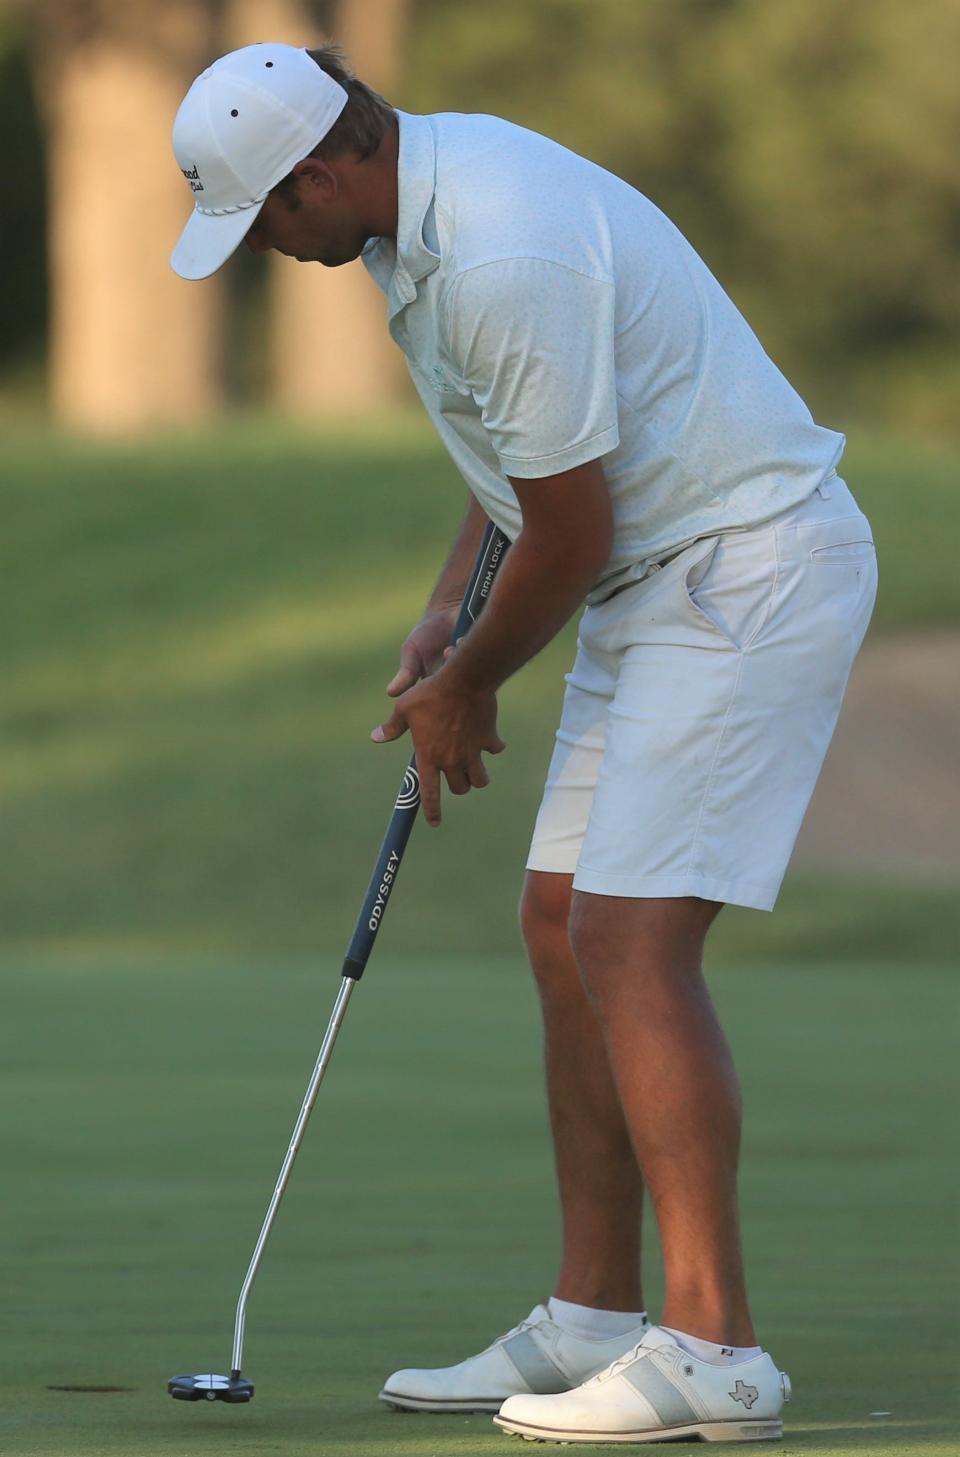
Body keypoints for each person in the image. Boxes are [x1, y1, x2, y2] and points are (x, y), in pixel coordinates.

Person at [170, 42, 877, 1445]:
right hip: (653, 576)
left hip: (742, 570)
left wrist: (466, 684)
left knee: (628, 934)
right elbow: (525, 470)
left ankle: (718, 1351)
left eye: (266, 220)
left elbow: (573, 529)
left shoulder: (498, 248)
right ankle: (595, 1317)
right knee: (561, 922)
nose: (267, 249)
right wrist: (449, 615)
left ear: (322, 170)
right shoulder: (408, 225)